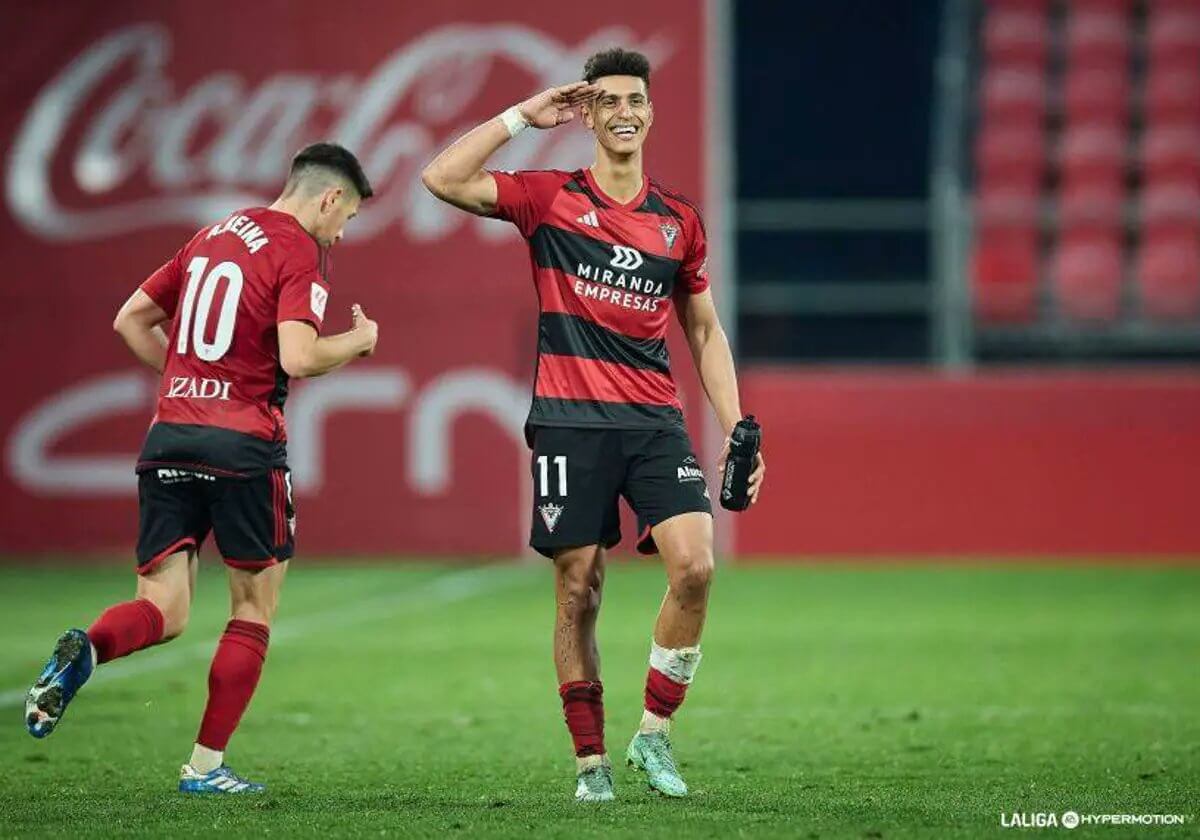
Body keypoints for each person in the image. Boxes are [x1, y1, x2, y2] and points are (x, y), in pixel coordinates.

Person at [422, 48, 766, 801]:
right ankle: (590, 763)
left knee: (697, 567)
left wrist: (739, 426)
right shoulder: (549, 198)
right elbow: (440, 178)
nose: (622, 112)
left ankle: (654, 735)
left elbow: (704, 331)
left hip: (653, 421)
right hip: (570, 423)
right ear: (586, 113)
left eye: (633, 100)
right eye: (605, 100)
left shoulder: (678, 223)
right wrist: (522, 115)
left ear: (650, 111)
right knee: (579, 590)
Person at [24, 142, 379, 795]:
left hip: (171, 436)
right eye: (349, 216)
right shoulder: (301, 249)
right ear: (329, 197)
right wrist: (357, 341)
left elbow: (130, 320)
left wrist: (192, 385)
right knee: (253, 608)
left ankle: (90, 648)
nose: (343, 231)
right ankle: (206, 768)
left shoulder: (213, 233)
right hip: (244, 445)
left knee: (163, 606)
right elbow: (298, 357)